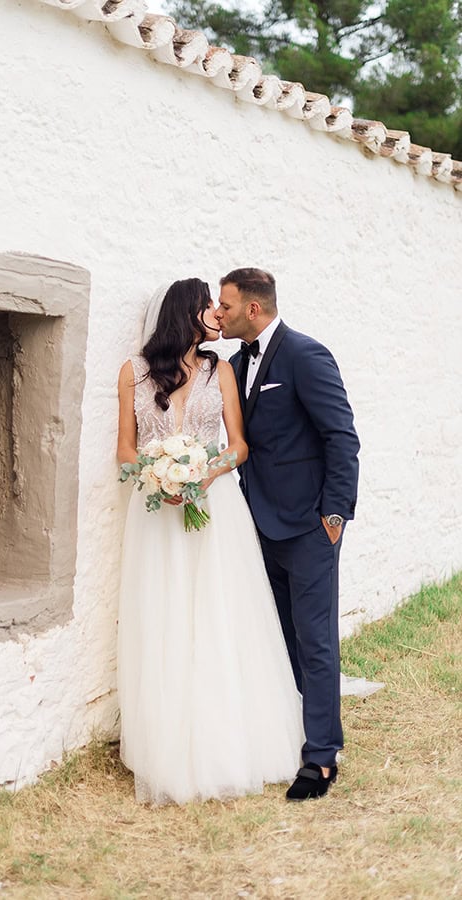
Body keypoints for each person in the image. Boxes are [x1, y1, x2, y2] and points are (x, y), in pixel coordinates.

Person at [116, 278, 304, 805]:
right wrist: (157, 476)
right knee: (164, 617)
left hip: (215, 508)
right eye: (209, 306)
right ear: (186, 312)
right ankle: (165, 743)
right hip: (156, 515)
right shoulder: (133, 373)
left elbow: (238, 446)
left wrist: (202, 472)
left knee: (218, 615)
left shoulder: (221, 371)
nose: (217, 315)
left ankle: (226, 737)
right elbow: (125, 452)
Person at [215, 267, 360, 802]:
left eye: (225, 306)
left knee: (315, 640)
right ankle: (295, 734)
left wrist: (334, 517)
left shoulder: (306, 355)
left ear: (253, 309)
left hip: (309, 527)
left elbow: (342, 438)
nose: (219, 314)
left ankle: (321, 758)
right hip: (259, 526)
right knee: (281, 638)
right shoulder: (232, 363)